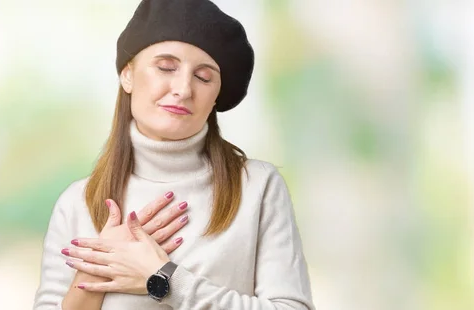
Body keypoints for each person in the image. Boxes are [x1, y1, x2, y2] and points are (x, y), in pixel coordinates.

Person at [33, 0, 314, 309]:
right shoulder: (77, 203)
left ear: (216, 95)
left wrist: (164, 278)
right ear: (128, 75)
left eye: (204, 77)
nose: (183, 88)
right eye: (166, 67)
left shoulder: (257, 187)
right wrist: (98, 270)